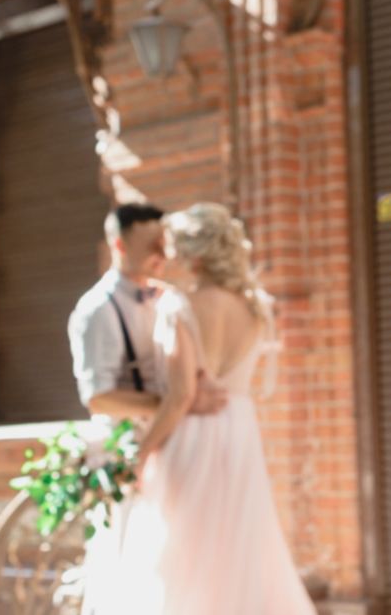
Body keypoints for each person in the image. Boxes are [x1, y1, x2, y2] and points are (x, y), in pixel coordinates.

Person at [109, 202, 317, 615]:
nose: (170, 256)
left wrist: (142, 451)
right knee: (241, 549)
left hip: (192, 435)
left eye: (177, 248)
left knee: (180, 553)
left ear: (197, 255)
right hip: (239, 432)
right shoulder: (255, 307)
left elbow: (181, 396)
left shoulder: (179, 305)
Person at [68, 203, 228, 615]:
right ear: (119, 245)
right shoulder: (96, 310)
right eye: (152, 245)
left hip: (171, 445)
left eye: (164, 242)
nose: (163, 252)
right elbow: (99, 397)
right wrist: (178, 400)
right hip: (125, 453)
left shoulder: (169, 299)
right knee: (126, 566)